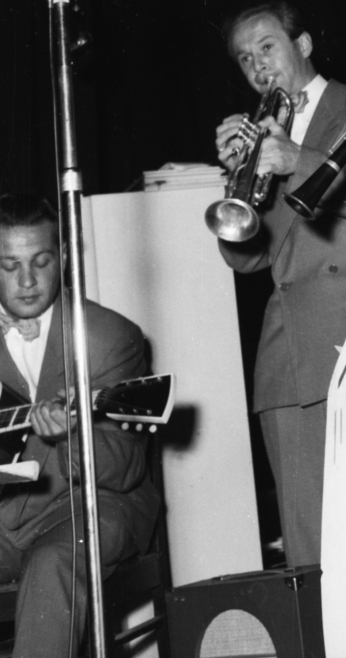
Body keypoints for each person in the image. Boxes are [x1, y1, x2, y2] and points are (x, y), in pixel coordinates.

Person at [214, 1, 346, 567]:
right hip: (291, 363)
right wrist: (237, 179)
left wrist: (296, 158)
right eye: (245, 58)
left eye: (267, 48)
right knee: (311, 555)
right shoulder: (261, 138)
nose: (257, 67)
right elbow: (248, 259)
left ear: (302, 45)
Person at [0, 193, 160, 658]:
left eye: (41, 261)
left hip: (91, 504)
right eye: (8, 266)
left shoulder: (107, 338)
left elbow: (126, 467)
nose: (27, 281)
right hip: (9, 513)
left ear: (64, 256)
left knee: (53, 564)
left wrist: (71, 433)